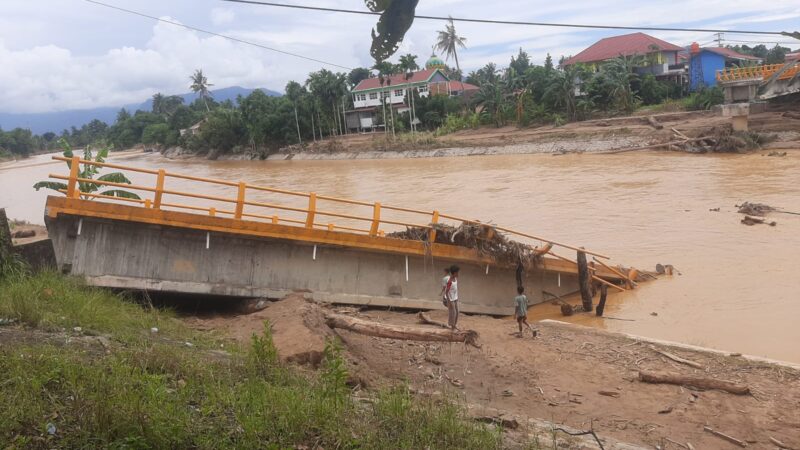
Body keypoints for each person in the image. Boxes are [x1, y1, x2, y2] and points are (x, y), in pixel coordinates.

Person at [445, 265, 460, 330]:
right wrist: (449, 301)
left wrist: (456, 297)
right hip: (450, 299)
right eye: (457, 272)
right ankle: (452, 326)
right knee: (453, 312)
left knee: (457, 311)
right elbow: (446, 292)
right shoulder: (450, 281)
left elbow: (455, 289)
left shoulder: (455, 278)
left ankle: (454, 324)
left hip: (455, 298)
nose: (458, 274)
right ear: (453, 273)